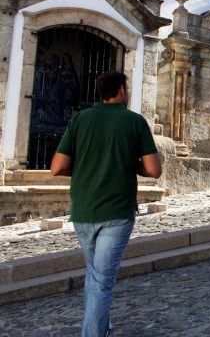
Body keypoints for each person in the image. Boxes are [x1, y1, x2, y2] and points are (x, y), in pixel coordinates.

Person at [51, 71, 162, 337]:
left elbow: (57, 167)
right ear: (122, 90)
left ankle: (102, 325)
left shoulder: (80, 119)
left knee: (95, 274)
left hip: (83, 211)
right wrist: (128, 164)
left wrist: (85, 166)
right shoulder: (134, 122)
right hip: (117, 212)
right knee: (101, 280)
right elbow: (154, 169)